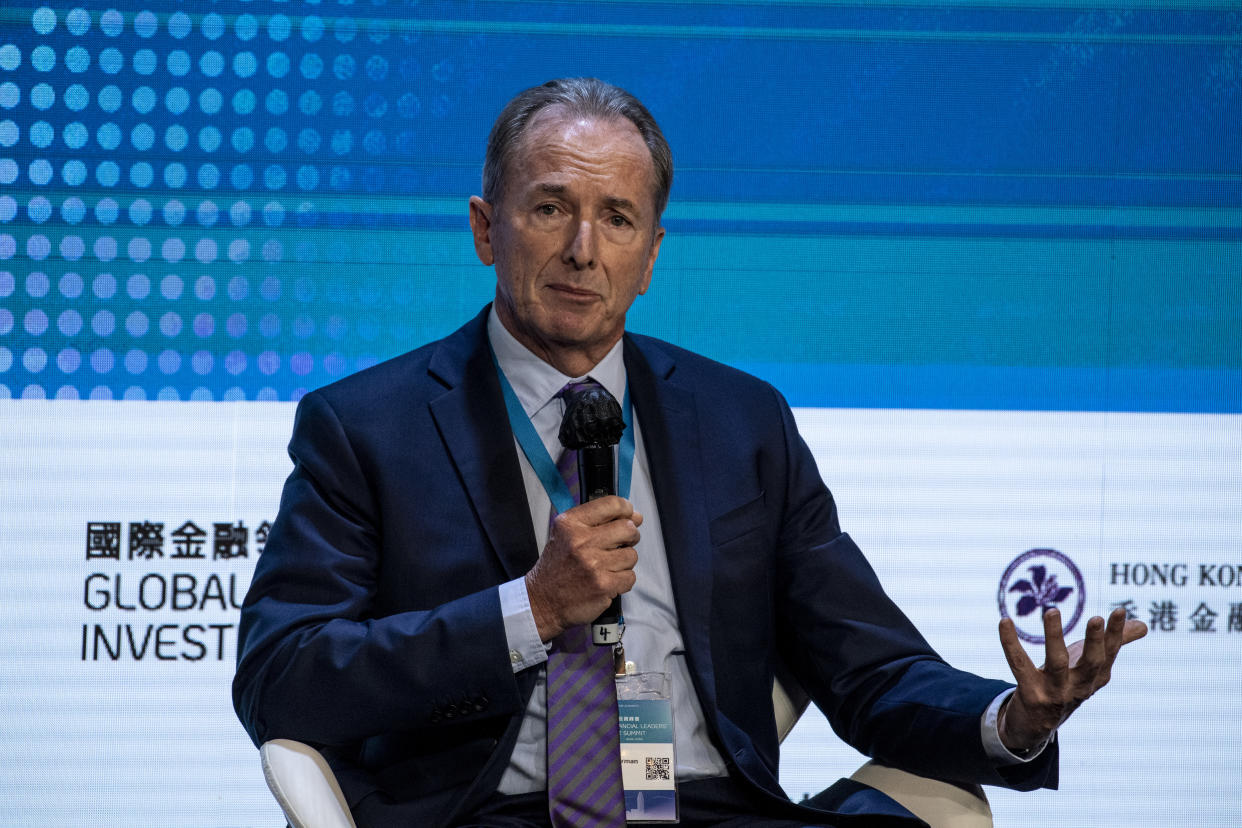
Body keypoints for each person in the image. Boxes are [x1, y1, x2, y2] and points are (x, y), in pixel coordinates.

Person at [233, 78, 1145, 828]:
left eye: (618, 218)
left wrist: (1012, 719)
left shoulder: (742, 421)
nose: (583, 251)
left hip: (706, 808)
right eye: (550, 208)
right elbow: (282, 681)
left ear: (653, 251)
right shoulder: (367, 426)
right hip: (494, 812)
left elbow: (866, 664)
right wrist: (530, 610)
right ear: (483, 227)